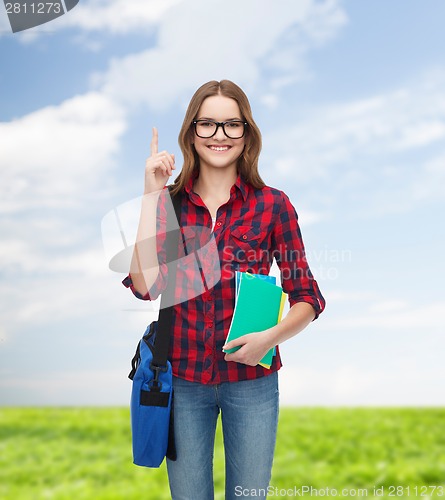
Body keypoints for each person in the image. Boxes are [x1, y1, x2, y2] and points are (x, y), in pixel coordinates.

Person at [123, 80, 325, 500]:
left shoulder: (273, 205)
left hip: (252, 381)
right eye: (208, 124)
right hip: (183, 381)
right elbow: (144, 286)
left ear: (246, 134)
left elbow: (307, 296)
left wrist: (269, 339)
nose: (219, 135)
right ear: (191, 133)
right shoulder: (168, 203)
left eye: (231, 125)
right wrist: (150, 193)